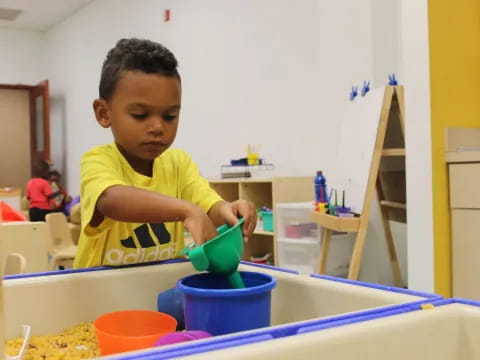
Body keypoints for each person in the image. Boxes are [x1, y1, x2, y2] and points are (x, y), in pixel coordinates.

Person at [74, 38, 256, 268]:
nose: (158, 127)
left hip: (161, 291)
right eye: (140, 115)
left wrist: (228, 210)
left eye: (170, 116)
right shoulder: (98, 160)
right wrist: (186, 210)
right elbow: (111, 200)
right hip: (103, 295)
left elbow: (209, 207)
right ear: (103, 113)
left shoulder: (179, 163)